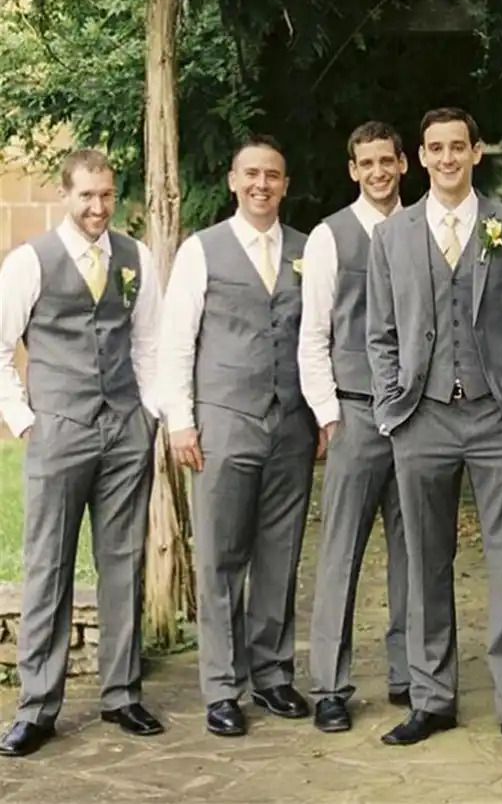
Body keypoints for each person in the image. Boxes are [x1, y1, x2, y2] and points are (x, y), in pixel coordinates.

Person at [367, 107, 502, 755]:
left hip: (496, 416)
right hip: (421, 417)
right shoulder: (392, 235)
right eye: (435, 148)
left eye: (458, 147)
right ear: (421, 157)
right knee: (425, 559)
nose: (447, 158)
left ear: (476, 152)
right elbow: (380, 331)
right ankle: (431, 698)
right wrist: (393, 405)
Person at [0, 149, 164, 757]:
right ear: (65, 195)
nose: (98, 207)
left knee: (123, 561)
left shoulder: (135, 256)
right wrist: (26, 422)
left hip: (124, 430)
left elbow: (148, 342)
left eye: (106, 195)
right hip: (59, 430)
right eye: (87, 196)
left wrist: (148, 415)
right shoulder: (30, 262)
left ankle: (122, 693)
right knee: (49, 566)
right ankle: (37, 707)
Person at [158, 135, 317, 737]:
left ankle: (272, 675)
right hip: (223, 421)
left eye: (272, 175)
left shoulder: (307, 249)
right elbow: (177, 340)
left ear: (285, 184)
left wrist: (321, 414)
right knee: (221, 557)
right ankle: (222, 686)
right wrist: (180, 419)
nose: (261, 184)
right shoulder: (202, 251)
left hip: (291, 423)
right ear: (233, 180)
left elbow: (319, 337)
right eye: (251, 174)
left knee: (280, 553)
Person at [300, 121, 410, 733]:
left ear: (403, 164)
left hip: (417, 414)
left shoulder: (422, 227)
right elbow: (314, 335)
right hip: (356, 410)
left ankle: (411, 673)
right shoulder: (330, 237)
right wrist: (329, 414)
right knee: (341, 552)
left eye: (386, 161)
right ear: (353, 170)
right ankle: (330, 686)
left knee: (416, 550)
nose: (378, 172)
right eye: (366, 163)